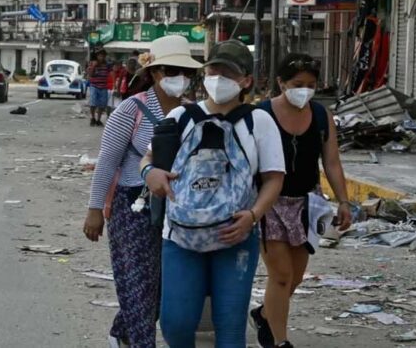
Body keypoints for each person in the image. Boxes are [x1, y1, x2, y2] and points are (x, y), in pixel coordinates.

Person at [142, 40, 286, 347]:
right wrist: (150, 174)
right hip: (181, 237)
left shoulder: (258, 121)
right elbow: (149, 159)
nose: (218, 78)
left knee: (230, 328)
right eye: (213, 70)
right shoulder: (181, 116)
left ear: (246, 80)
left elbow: (274, 178)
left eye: (228, 73)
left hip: (234, 237)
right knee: (175, 325)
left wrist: (253, 216)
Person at [83, 36, 202, 348]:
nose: (180, 78)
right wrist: (95, 210)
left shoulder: (193, 113)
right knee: (138, 284)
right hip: (132, 208)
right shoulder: (130, 110)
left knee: (163, 288)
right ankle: (138, 342)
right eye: (172, 71)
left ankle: (122, 334)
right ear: (155, 73)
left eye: (185, 72)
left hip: (178, 210)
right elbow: (107, 162)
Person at [249, 53, 352, 348]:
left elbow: (331, 161)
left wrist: (343, 201)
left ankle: (264, 314)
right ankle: (279, 341)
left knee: (294, 278)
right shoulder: (262, 114)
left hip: (306, 203)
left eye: (310, 84)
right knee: (280, 275)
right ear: (281, 83)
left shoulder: (321, 115)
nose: (304, 90)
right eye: (297, 84)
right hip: (270, 202)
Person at [87, 48, 111, 126]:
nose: (102, 57)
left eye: (103, 56)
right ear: (97, 56)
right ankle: (92, 118)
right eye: (100, 56)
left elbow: (110, 73)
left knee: (102, 104)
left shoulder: (107, 64)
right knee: (93, 103)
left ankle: (98, 119)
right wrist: (94, 66)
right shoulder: (92, 63)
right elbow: (90, 74)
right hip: (94, 86)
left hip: (104, 87)